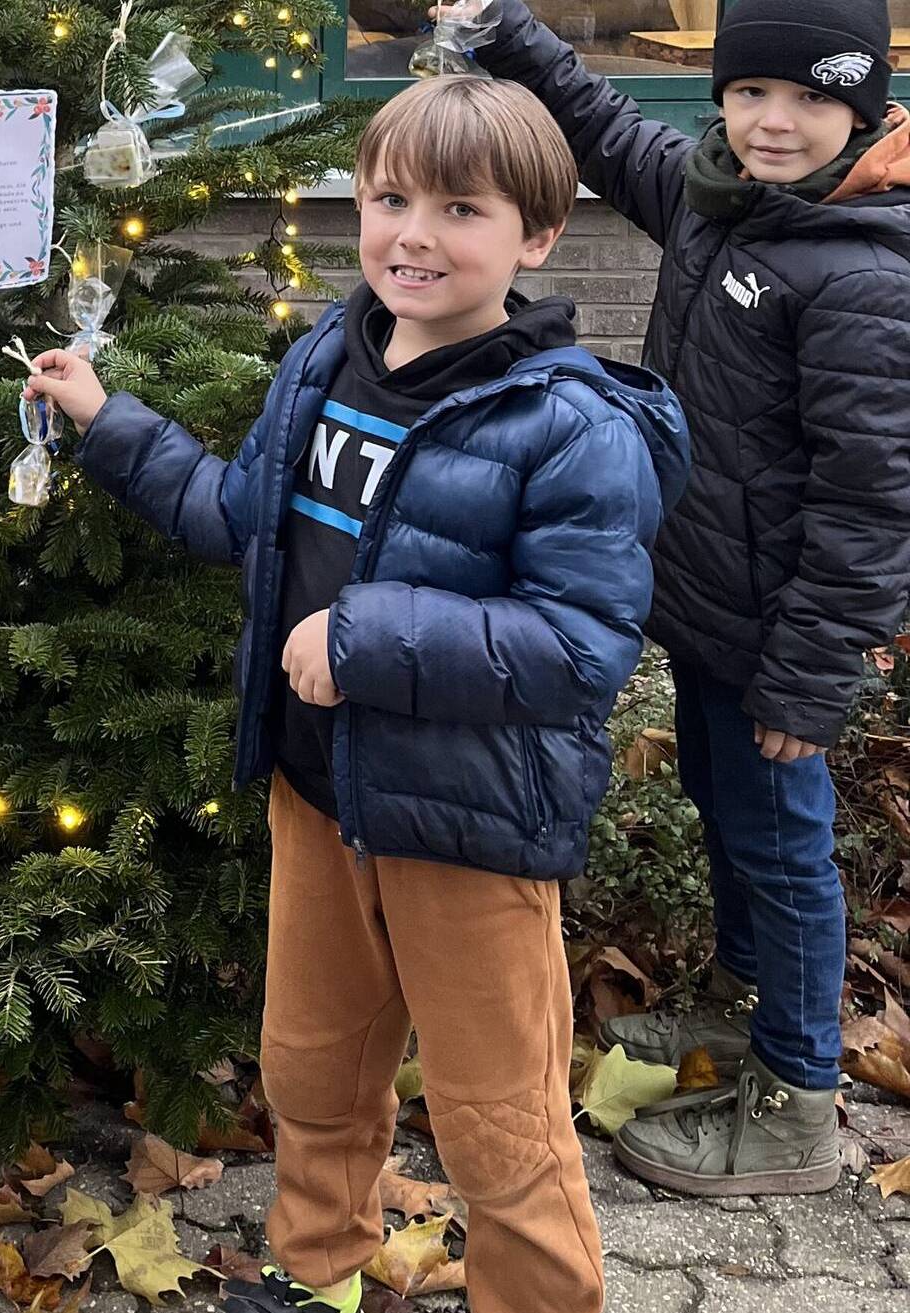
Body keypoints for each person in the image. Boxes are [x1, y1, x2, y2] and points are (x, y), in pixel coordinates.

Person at [26, 76, 687, 1313]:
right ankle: (314, 1269)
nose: (414, 234)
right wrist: (110, 423)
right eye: (389, 199)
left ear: (535, 237)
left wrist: (368, 638)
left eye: (460, 208)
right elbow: (241, 519)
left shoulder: (569, 428)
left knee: (499, 1116)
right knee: (312, 1067)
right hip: (317, 793)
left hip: (467, 829)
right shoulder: (327, 358)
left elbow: (579, 645)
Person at [455, 0, 910, 1196]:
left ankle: (792, 1105)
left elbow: (872, 504)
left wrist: (810, 677)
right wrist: (504, 31)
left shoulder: (860, 268)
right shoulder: (725, 200)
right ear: (717, 97)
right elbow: (603, 129)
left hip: (779, 635)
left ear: (858, 113)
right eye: (751, 92)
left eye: (811, 101)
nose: (773, 121)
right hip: (715, 606)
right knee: (725, 806)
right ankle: (740, 998)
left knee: (781, 847)